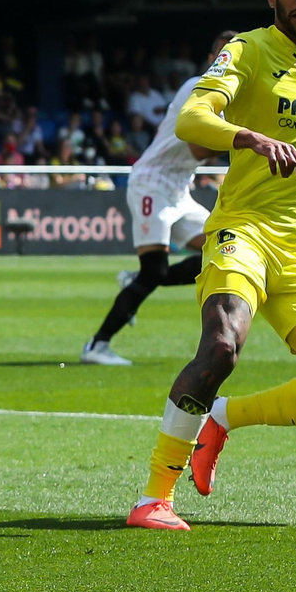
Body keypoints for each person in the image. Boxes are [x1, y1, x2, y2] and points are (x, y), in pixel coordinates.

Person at [129, 0, 296, 531]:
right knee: (221, 348)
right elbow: (192, 120)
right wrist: (250, 137)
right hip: (242, 230)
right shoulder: (245, 50)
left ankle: (223, 419)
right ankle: (153, 498)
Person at [83, 31, 237, 367]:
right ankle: (96, 345)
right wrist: (245, 137)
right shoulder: (198, 87)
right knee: (154, 271)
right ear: (211, 59)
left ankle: (134, 280)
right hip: (152, 182)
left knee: (224, 249)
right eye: (222, 54)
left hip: (180, 188)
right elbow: (199, 148)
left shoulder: (231, 100)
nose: (227, 60)